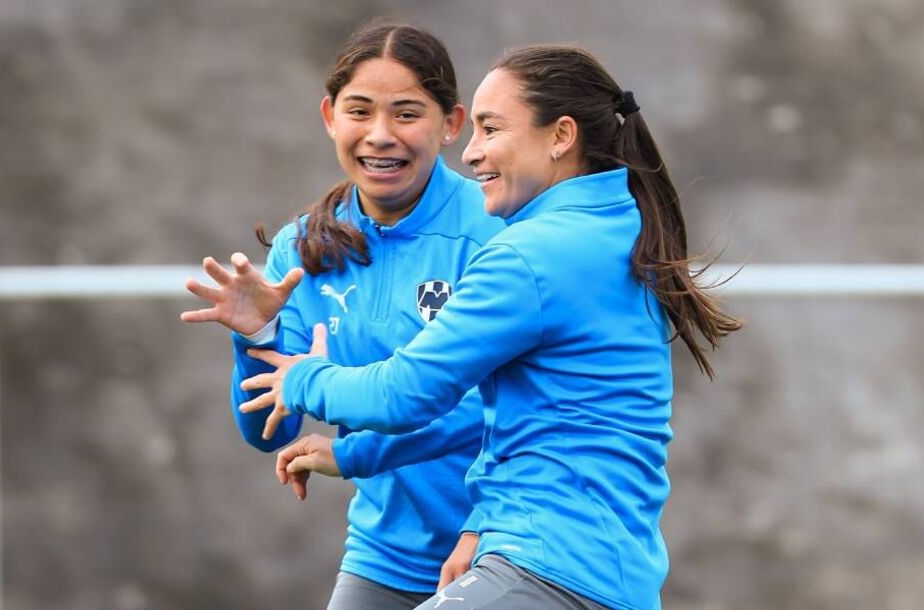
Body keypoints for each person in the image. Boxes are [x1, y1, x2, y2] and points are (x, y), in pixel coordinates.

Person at [239, 45, 744, 610]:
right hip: (561, 561)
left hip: (553, 564)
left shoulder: (529, 254)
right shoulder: (612, 226)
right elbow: (523, 419)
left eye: (490, 129)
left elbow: (404, 392)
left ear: (561, 136)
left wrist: (305, 379)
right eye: (475, 131)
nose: (474, 153)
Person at [181, 22, 504, 610]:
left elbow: (498, 414)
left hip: (500, 547)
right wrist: (256, 337)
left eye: (406, 114)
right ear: (330, 116)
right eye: (360, 111)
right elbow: (267, 433)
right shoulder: (301, 250)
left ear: (452, 125)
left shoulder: (496, 232)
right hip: (384, 554)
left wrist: (477, 524)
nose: (380, 136)